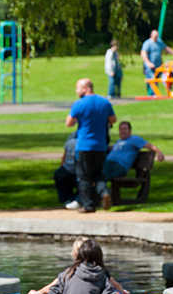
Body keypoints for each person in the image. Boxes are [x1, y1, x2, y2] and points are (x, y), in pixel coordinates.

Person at [24, 236, 132, 294]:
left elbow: (54, 286)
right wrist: (122, 292)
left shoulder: (70, 272)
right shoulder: (101, 272)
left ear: (77, 254)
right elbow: (114, 284)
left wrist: (38, 293)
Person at [65, 78, 116, 213]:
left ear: (86, 88)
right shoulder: (104, 102)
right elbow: (113, 119)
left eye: (78, 88)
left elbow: (69, 123)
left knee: (83, 176)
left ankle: (88, 205)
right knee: (99, 174)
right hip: (101, 146)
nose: (76, 91)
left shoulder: (79, 104)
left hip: (84, 146)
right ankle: (104, 192)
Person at [99, 120, 165, 209]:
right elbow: (114, 149)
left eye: (125, 129)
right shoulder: (119, 141)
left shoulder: (134, 139)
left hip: (119, 166)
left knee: (97, 175)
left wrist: (159, 153)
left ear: (130, 131)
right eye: (120, 129)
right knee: (95, 174)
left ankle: (102, 195)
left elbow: (150, 146)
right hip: (109, 164)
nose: (122, 131)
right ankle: (105, 195)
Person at [140, 29, 173, 96]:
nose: (156, 37)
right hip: (150, 66)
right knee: (153, 79)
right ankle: (153, 95)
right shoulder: (147, 43)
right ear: (151, 35)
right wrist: (148, 63)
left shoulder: (159, 42)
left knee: (165, 78)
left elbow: (166, 48)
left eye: (157, 36)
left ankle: (168, 92)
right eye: (155, 36)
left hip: (159, 66)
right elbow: (143, 53)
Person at [55, 132, 78, 208]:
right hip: (79, 172)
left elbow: (63, 159)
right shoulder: (83, 143)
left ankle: (66, 199)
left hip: (67, 171)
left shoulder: (69, 142)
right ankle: (76, 199)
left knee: (59, 174)